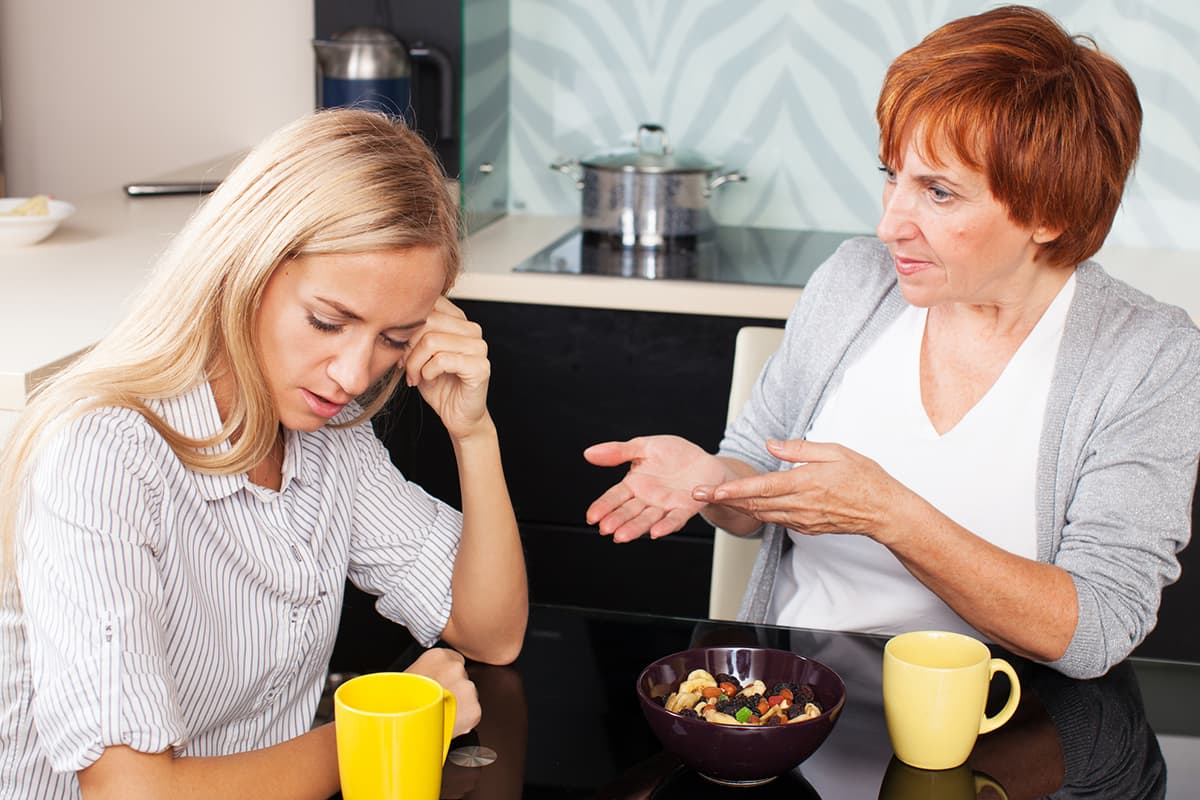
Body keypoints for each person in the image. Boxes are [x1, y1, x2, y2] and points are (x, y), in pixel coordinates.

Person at [584, 5, 1200, 680]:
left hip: (1009, 737)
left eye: (938, 192)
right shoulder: (854, 281)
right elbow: (753, 481)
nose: (888, 225)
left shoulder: (1148, 357)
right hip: (796, 709)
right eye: (892, 175)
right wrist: (715, 482)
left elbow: (1097, 629)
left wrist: (891, 515)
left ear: (1050, 212)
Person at [0, 108, 528, 799]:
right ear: (243, 267)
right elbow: (129, 792)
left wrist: (474, 433)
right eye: (328, 321)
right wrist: (389, 725)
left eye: (394, 340)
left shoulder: (329, 436)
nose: (353, 374)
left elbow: (490, 633)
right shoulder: (104, 453)